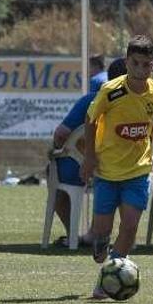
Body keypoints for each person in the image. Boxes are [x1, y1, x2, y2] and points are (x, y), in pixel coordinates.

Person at [80, 36, 153, 292]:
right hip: (108, 170)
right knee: (101, 230)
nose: (140, 70)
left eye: (146, 65)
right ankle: (101, 242)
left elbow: (150, 118)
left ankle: (108, 279)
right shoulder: (111, 91)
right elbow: (90, 119)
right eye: (135, 63)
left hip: (138, 170)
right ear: (126, 62)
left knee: (129, 226)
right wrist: (89, 155)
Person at [48, 54, 113, 248]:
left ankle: (73, 235)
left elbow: (61, 134)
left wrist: (54, 150)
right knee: (117, 187)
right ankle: (97, 233)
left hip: (77, 168)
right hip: (116, 168)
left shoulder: (90, 100)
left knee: (55, 179)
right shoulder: (135, 103)